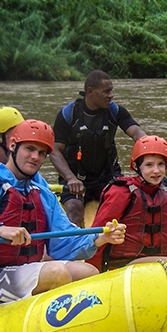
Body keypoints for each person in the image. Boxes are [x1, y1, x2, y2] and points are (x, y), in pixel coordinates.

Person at [0, 119, 126, 310]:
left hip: (23, 270)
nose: (35, 157)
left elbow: (63, 239)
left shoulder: (41, 192)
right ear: (13, 146)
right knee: (57, 273)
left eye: (41, 153)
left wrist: (99, 238)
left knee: (89, 271)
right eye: (29, 149)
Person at [87, 135, 167, 272]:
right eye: (149, 165)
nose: (156, 171)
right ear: (136, 166)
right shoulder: (121, 192)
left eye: (161, 164)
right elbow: (98, 233)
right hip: (124, 265)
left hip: (161, 260)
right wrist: (94, 271)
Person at [50, 70, 146, 225]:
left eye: (111, 91)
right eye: (106, 91)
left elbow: (137, 133)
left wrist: (150, 147)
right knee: (74, 209)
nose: (111, 95)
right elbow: (54, 150)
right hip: (76, 179)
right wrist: (70, 178)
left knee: (130, 205)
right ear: (90, 92)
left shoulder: (115, 111)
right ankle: (73, 245)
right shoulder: (69, 114)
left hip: (108, 176)